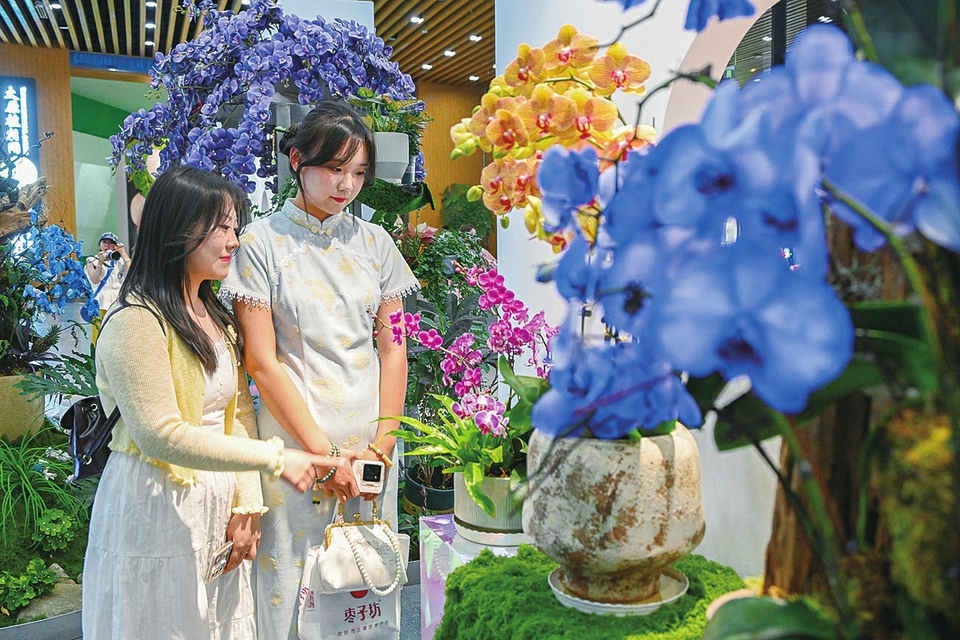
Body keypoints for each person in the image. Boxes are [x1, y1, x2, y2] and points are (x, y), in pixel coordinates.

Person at [81, 166, 356, 639]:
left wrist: (246, 505)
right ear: (178, 229)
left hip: (216, 502)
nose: (234, 241)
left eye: (235, 227)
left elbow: (240, 413)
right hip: (157, 504)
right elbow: (160, 434)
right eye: (222, 228)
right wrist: (276, 458)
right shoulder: (135, 320)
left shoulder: (213, 314)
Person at [219, 101, 419, 638]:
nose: (346, 184)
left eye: (358, 172)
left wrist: (383, 446)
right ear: (296, 161)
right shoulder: (260, 243)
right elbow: (261, 362)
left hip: (372, 447)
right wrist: (325, 457)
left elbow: (394, 348)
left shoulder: (377, 243)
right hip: (299, 451)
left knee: (367, 584)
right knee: (295, 588)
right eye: (334, 168)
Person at [84, 231, 130, 314]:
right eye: (104, 242)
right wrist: (100, 262)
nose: (107, 245)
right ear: (99, 245)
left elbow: (131, 273)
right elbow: (95, 280)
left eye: (111, 243)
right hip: (100, 301)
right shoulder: (92, 260)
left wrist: (123, 254)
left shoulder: (120, 261)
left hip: (118, 300)